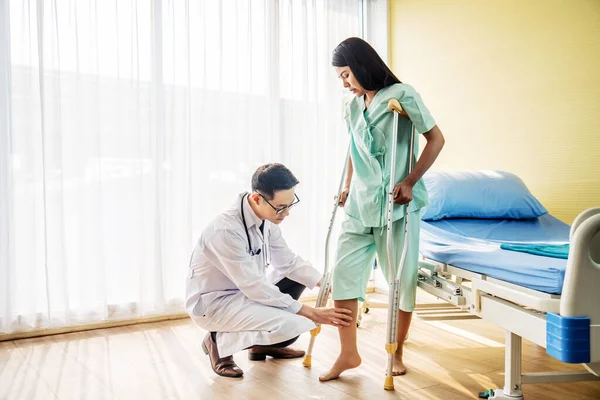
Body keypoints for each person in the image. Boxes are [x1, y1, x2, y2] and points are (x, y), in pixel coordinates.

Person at [319, 37, 445, 382]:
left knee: (401, 281)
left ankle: (397, 348)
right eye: (340, 78)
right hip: (360, 203)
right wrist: (346, 184)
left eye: (346, 75)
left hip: (397, 205)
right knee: (343, 275)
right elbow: (352, 150)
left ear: (361, 66)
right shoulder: (351, 106)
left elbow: (436, 139)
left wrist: (411, 180)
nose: (344, 83)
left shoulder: (402, 95)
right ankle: (348, 353)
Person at [185, 163, 353, 378]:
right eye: (281, 207)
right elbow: (254, 286)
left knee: (298, 276)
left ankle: (261, 347)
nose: (287, 213)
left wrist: (326, 283)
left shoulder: (267, 218)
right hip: (215, 304)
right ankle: (217, 341)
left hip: (245, 293)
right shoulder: (225, 229)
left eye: (290, 205)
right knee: (294, 326)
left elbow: (288, 262)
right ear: (257, 199)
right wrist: (310, 311)